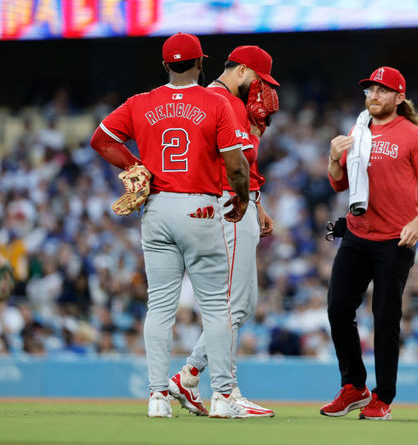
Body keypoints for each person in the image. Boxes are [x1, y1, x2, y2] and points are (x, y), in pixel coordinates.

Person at [90, 32, 251, 418]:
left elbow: (101, 139)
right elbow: (235, 164)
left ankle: (157, 397)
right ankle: (223, 396)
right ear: (201, 62)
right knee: (215, 307)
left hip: (157, 208)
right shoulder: (215, 102)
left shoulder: (140, 102)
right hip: (199, 205)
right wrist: (242, 197)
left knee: (159, 305)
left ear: (165, 65)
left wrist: (134, 167)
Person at [321, 67, 418, 420]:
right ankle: (354, 387)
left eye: (382, 90)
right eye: (370, 90)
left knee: (385, 317)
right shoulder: (358, 131)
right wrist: (333, 158)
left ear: (399, 97)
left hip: (395, 240)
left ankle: (383, 397)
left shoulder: (414, 136)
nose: (373, 96)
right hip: (358, 235)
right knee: (337, 309)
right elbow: (338, 184)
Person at [168, 45, 279, 418]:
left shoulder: (208, 100)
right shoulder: (224, 102)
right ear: (243, 71)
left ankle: (189, 374)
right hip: (228, 204)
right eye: (261, 81)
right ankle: (226, 392)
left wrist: (259, 205)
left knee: (243, 303)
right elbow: (239, 164)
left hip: (230, 203)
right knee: (230, 304)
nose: (264, 91)